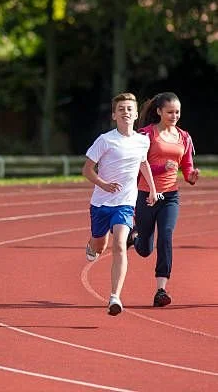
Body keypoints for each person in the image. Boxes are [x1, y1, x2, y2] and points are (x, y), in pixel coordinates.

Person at [82, 92, 158, 316]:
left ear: (136, 114)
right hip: (100, 203)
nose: (126, 112)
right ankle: (92, 244)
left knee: (119, 244)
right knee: (100, 245)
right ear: (114, 115)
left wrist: (153, 189)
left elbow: (143, 164)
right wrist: (103, 184)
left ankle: (115, 297)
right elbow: (87, 169)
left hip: (125, 203)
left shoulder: (142, 140)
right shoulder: (105, 140)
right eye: (121, 109)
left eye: (129, 108)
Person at [127, 92, 199, 307]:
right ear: (159, 111)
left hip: (170, 197)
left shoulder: (184, 137)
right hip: (146, 195)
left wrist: (191, 176)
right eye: (170, 112)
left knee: (166, 236)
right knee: (145, 250)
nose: (174, 115)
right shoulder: (145, 135)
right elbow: (137, 165)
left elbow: (186, 166)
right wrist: (160, 167)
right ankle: (136, 237)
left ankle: (161, 290)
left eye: (177, 112)